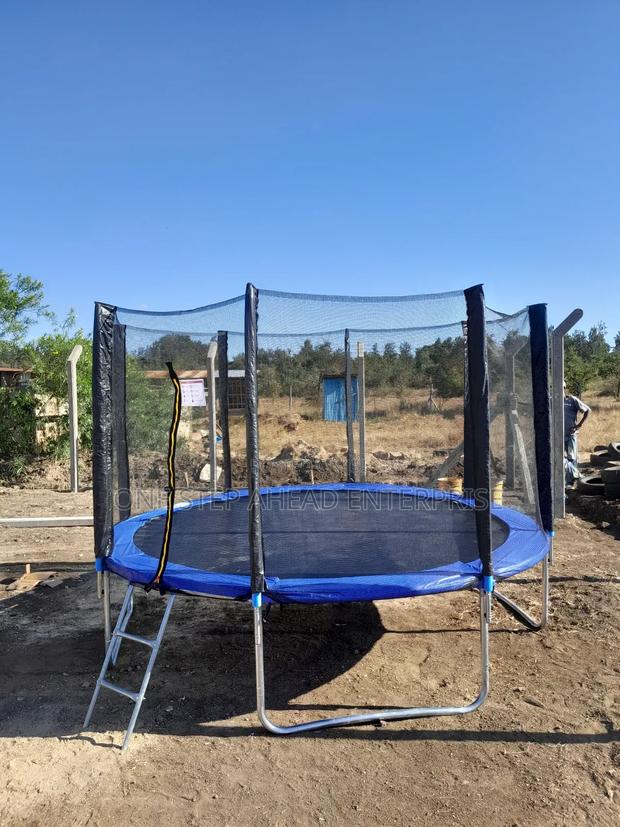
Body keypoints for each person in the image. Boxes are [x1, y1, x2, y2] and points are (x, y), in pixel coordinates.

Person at [564, 382, 590, 486]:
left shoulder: (572, 400)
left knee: (572, 458)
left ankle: (571, 482)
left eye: (562, 387)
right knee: (560, 458)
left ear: (564, 388)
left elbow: (587, 410)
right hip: (557, 435)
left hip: (570, 435)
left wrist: (579, 425)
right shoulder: (552, 399)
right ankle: (569, 478)